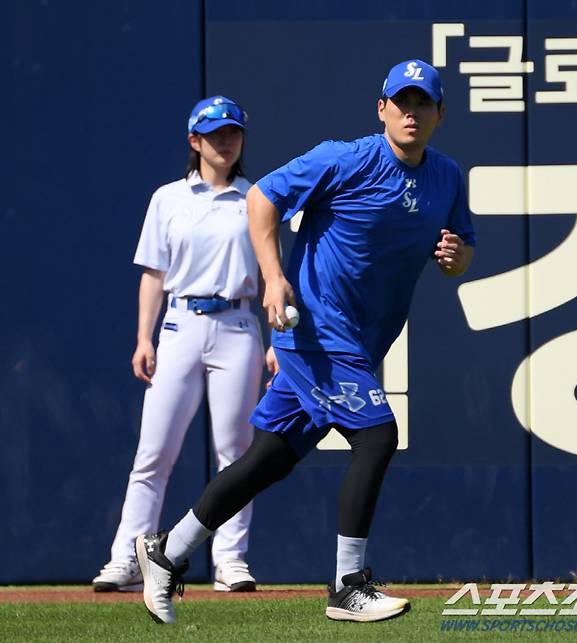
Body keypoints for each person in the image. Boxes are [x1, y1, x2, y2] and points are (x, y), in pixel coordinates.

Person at [135, 59, 475, 624]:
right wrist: (273, 277)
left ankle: (167, 552)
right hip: (316, 332)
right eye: (402, 101)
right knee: (377, 434)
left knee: (267, 461)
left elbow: (461, 250)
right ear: (382, 109)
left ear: (440, 114)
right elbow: (261, 199)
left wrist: (457, 259)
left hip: (361, 343)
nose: (411, 112)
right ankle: (348, 583)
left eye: (423, 103)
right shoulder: (345, 158)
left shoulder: (447, 177)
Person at [93, 96, 269, 594]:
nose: (226, 141)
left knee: (236, 453)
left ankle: (230, 561)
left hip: (238, 325)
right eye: (215, 134)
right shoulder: (168, 198)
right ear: (194, 141)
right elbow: (154, 273)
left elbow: (273, 275)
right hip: (180, 325)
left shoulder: (257, 197)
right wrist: (142, 338)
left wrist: (277, 338)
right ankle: (128, 558)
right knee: (154, 452)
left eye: (233, 132)